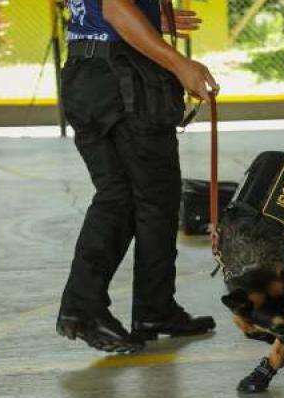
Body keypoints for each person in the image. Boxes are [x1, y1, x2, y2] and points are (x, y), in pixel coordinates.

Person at [56, 0, 219, 353]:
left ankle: (152, 310)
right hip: (123, 78)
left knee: (128, 197)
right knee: (141, 199)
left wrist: (146, 15)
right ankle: (84, 309)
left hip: (88, 70)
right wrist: (181, 64)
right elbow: (115, 7)